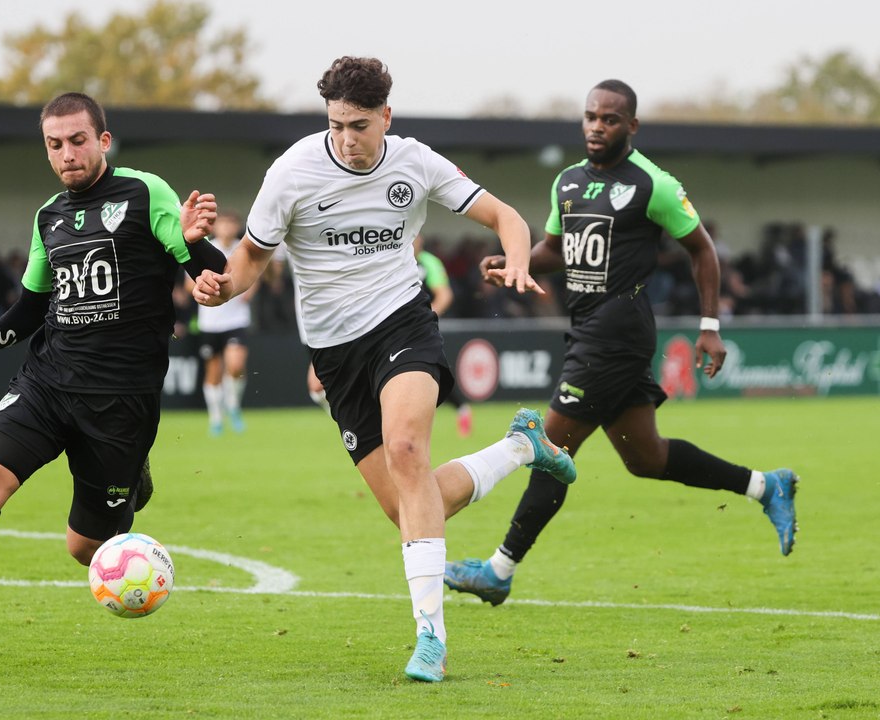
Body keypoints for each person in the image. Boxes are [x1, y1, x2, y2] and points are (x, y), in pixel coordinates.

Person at [192, 56, 576, 683]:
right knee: (409, 506)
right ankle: (519, 447)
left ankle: (431, 639)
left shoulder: (414, 162)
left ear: (386, 117)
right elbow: (251, 259)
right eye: (336, 125)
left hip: (402, 324)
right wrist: (220, 287)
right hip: (335, 354)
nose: (347, 138)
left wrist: (516, 260)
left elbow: (506, 217)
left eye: (360, 125)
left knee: (406, 450)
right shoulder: (291, 171)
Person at [0, 91, 226, 674]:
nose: (67, 154)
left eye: (78, 141)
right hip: (46, 382)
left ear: (103, 141)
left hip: (120, 400)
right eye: (54, 144)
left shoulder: (145, 193)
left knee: (84, 549)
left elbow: (209, 274)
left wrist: (195, 245)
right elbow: (32, 308)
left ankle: (131, 484)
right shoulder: (48, 217)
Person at [443, 79, 799, 609]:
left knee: (551, 447)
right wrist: (515, 262)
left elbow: (702, 250)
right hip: (589, 329)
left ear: (631, 126)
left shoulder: (653, 184)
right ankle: (767, 486)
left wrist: (710, 326)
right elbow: (556, 249)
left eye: (609, 119)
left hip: (616, 334)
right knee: (646, 457)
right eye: (591, 116)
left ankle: (498, 570)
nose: (597, 126)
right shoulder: (567, 182)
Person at [191, 210, 256, 435]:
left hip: (236, 320)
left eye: (231, 223)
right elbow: (189, 284)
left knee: (236, 366)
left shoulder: (242, 249)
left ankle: (233, 405)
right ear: (215, 227)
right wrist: (208, 288)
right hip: (210, 321)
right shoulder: (205, 248)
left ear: (237, 227)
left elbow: (254, 273)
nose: (226, 228)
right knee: (213, 372)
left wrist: (247, 290)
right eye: (223, 223)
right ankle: (216, 418)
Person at [413, 234, 473, 436]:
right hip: (395, 328)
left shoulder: (429, 262)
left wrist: (425, 317)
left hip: (422, 328)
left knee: (433, 370)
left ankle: (461, 408)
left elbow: (445, 295)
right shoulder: (393, 259)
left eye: (417, 239)